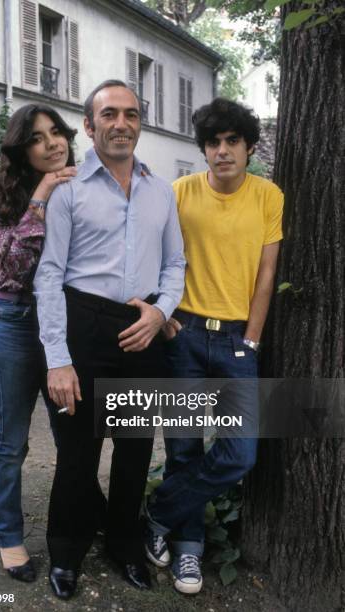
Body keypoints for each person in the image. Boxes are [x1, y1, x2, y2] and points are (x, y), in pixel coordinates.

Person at [34, 79, 185, 600]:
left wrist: (162, 310)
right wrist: (57, 359)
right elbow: (49, 274)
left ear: (140, 123)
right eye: (110, 114)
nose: (122, 123)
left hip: (143, 330)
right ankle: (66, 553)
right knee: (78, 451)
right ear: (89, 124)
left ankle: (122, 545)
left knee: (135, 450)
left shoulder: (160, 190)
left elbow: (175, 264)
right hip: (83, 328)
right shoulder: (67, 189)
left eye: (131, 114)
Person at [145, 98, 284, 595]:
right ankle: (189, 554)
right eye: (213, 142)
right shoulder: (179, 192)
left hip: (235, 342)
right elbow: (159, 257)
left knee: (238, 454)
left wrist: (251, 338)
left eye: (232, 142)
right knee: (183, 449)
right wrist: (162, 316)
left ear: (248, 147)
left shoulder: (268, 196)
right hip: (182, 335)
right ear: (203, 148)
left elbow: (266, 275)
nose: (222, 151)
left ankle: (159, 511)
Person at [0, 104, 78, 582]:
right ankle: (8, 536)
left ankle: (80, 522)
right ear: (22, 148)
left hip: (67, 324)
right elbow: (10, 270)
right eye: (39, 137)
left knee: (74, 435)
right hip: (16, 322)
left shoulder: (82, 184)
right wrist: (42, 193)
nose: (53, 142)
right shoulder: (0, 199)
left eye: (56, 132)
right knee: (10, 440)